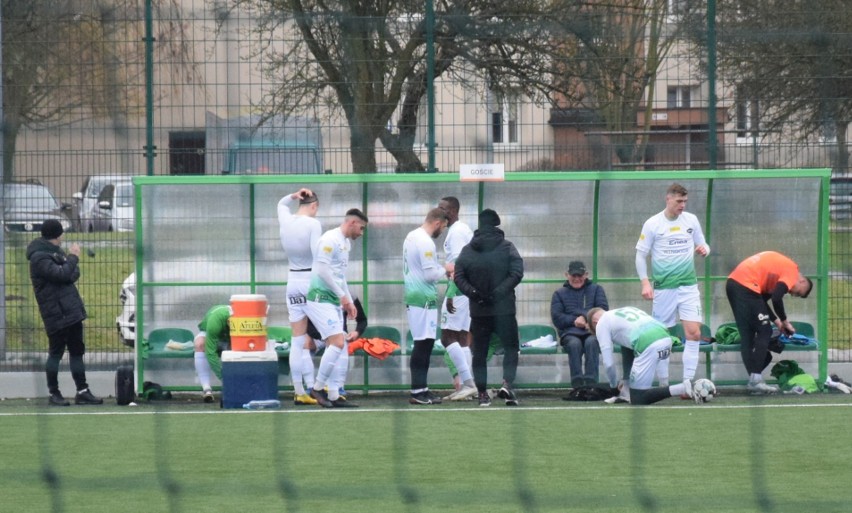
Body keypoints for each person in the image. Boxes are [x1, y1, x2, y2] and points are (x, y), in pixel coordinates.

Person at [635, 183, 710, 388]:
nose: (682, 205)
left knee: (693, 332)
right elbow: (641, 256)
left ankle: (687, 382)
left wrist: (704, 249)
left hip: (688, 287)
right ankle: (664, 383)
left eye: (685, 201)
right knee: (662, 336)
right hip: (664, 288)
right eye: (679, 201)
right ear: (668, 199)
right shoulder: (653, 224)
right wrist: (645, 283)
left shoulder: (691, 220)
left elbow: (704, 243)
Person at [27, 219, 103, 406]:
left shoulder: (55, 253)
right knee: (56, 353)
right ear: (57, 235)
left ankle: (82, 391)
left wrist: (69, 263)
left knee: (77, 351)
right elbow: (61, 274)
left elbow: (72, 274)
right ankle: (54, 393)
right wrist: (73, 257)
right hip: (56, 313)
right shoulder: (39, 257)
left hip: (71, 311)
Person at [454, 208, 524, 407]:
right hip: (504, 309)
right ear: (496, 225)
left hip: (479, 310)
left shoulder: (468, 250)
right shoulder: (507, 247)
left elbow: (459, 276)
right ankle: (507, 384)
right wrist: (499, 293)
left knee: (480, 352)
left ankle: (483, 394)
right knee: (511, 347)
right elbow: (517, 273)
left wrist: (475, 294)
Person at [306, 208, 369, 408]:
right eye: (361, 227)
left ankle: (334, 395)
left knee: (341, 344)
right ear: (351, 223)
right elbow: (323, 271)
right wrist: (343, 298)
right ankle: (317, 388)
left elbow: (340, 277)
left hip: (332, 301)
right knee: (337, 342)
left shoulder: (346, 244)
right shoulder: (329, 239)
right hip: (319, 298)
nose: (361, 232)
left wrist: (348, 301)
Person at [726, 251, 813, 394]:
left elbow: (760, 301)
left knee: (747, 335)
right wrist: (785, 321)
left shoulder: (775, 276)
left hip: (733, 284)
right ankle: (755, 381)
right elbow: (776, 299)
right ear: (802, 281)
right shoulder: (792, 271)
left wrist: (778, 322)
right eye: (798, 293)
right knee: (765, 331)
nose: (792, 294)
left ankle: (754, 382)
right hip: (746, 285)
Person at [587, 306, 704, 405]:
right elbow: (627, 347)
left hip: (649, 344)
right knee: (628, 347)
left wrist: (613, 387)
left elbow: (608, 363)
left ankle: (684, 388)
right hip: (666, 338)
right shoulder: (624, 311)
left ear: (595, 323)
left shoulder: (601, 324)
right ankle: (628, 390)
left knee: (638, 399)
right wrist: (626, 382)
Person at [277, 187, 322, 405]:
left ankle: (299, 391)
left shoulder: (285, 219)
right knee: (336, 334)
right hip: (309, 282)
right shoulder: (313, 224)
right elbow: (318, 255)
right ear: (314, 206)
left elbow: (281, 204)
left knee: (297, 340)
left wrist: (294, 195)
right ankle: (325, 388)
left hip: (292, 281)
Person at [404, 207, 450, 405]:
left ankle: (422, 389)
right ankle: (417, 391)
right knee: (423, 344)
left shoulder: (412, 236)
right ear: (438, 223)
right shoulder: (425, 242)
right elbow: (430, 274)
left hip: (418, 298)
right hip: (422, 299)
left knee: (425, 343)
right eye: (444, 227)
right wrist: (446, 269)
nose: (443, 231)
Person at [437, 196, 478, 401]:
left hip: (459, 291)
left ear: (452, 211)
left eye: (442, 208)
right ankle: (467, 386)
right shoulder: (460, 229)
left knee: (447, 337)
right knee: (462, 338)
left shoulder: (456, 232)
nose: (439, 210)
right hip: (466, 290)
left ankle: (468, 383)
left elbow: (460, 265)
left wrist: (452, 292)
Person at [550, 260, 609, 387]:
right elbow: (557, 318)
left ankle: (591, 382)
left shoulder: (597, 289)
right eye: (573, 275)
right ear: (567, 275)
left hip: (591, 331)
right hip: (569, 332)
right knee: (574, 344)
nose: (577, 278)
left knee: (592, 342)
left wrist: (584, 318)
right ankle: (577, 383)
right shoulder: (559, 294)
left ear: (586, 274)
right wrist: (574, 321)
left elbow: (603, 310)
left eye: (580, 275)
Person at [306, 296, 367, 400]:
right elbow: (308, 325)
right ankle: (310, 387)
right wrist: (323, 337)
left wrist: (357, 332)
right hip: (319, 336)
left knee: (341, 341)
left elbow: (362, 320)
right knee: (303, 345)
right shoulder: (316, 296)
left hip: (337, 335)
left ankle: (338, 387)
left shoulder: (349, 297)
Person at [193, 304, 231, 402]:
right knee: (200, 344)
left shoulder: (246, 318)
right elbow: (210, 353)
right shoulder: (216, 319)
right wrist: (224, 377)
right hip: (212, 335)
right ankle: (206, 389)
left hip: (229, 338)